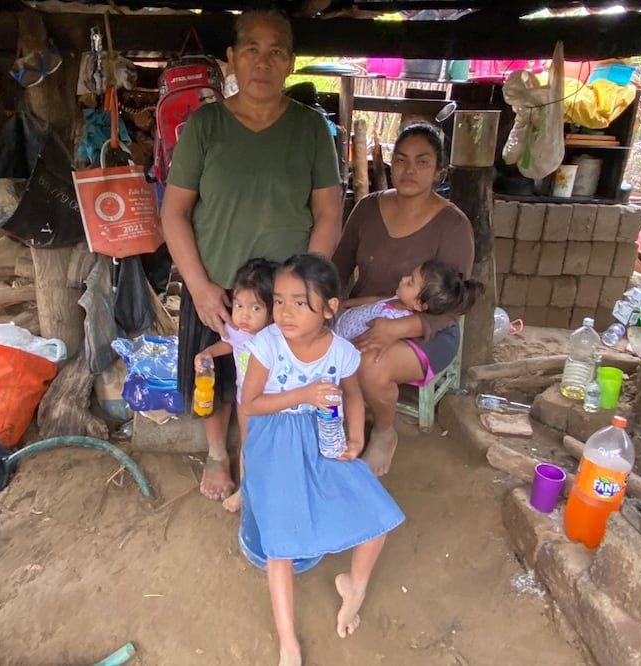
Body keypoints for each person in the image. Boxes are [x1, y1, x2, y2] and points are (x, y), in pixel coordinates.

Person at [160, 8, 342, 501]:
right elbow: (174, 212)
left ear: (291, 61)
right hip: (219, 287)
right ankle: (219, 454)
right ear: (231, 59)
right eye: (252, 50)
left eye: (276, 51)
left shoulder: (310, 129)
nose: (263, 61)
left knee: (286, 380)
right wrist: (198, 286)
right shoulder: (204, 126)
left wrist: (305, 290)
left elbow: (328, 211)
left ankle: (266, 458)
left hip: (285, 295)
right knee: (216, 377)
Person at [241, 254, 404, 666]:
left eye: (300, 301)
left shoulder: (342, 352)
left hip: (324, 436)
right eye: (279, 300)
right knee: (280, 544)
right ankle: (288, 641)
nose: (285, 312)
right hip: (274, 441)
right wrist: (302, 395)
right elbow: (251, 403)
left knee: (377, 516)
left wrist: (356, 436)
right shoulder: (268, 345)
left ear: (331, 308)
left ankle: (355, 584)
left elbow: (352, 394)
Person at [332, 122, 475, 477]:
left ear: (439, 170)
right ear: (390, 163)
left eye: (422, 162)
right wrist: (324, 305)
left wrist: (400, 328)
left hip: (428, 330)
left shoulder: (453, 225)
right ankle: (337, 422)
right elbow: (337, 268)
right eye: (401, 159)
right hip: (366, 314)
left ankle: (383, 430)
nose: (409, 170)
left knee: (370, 364)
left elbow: (454, 304)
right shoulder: (366, 209)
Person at [193, 257, 278, 512]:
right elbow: (230, 343)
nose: (243, 314)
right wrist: (208, 352)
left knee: (275, 445)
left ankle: (273, 489)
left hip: (276, 403)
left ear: (274, 310)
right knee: (248, 443)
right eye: (239, 305)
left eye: (255, 308)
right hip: (246, 400)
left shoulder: (277, 336)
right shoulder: (238, 330)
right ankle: (246, 489)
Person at [335, 259, 483, 342]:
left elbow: (366, 340)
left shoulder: (395, 320)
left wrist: (342, 348)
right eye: (409, 276)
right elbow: (374, 300)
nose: (403, 279)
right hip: (338, 320)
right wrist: (345, 304)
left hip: (340, 340)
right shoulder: (396, 299)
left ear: (419, 304)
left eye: (410, 282)